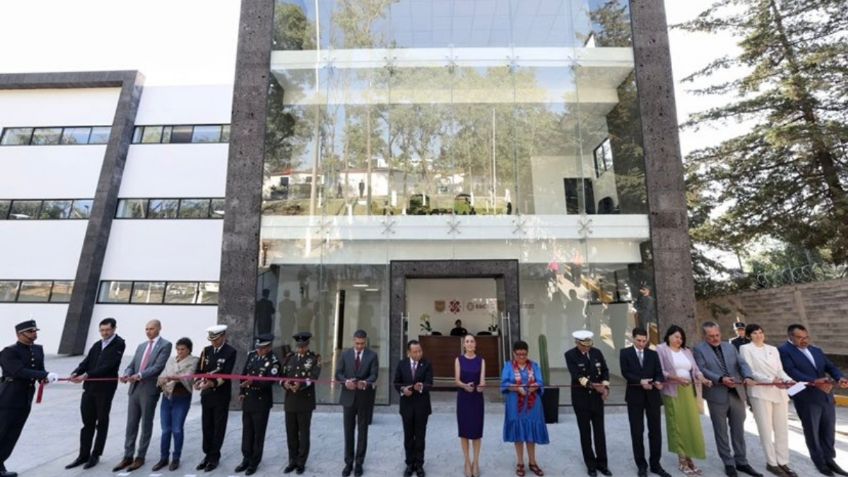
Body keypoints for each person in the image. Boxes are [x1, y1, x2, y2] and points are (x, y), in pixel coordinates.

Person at [779, 324, 848, 476]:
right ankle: (820, 462)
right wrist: (815, 381)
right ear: (790, 337)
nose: (804, 340)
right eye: (800, 338)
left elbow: (830, 366)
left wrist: (840, 377)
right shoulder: (784, 351)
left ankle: (830, 459)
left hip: (826, 396)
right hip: (806, 398)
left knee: (828, 430)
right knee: (813, 432)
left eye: (806, 337)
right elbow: (791, 372)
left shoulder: (815, 350)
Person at [694, 321, 761, 477]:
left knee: (738, 429)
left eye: (717, 335)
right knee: (721, 431)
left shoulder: (730, 347)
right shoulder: (699, 349)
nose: (715, 338)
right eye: (711, 336)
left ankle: (742, 461)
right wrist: (720, 378)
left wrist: (748, 375)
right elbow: (702, 368)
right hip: (716, 395)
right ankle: (728, 463)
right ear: (704, 336)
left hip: (736, 393)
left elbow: (741, 363)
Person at [66, 317, 126, 471]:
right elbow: (86, 362)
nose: (104, 333)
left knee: (102, 421)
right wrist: (76, 372)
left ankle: (96, 454)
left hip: (105, 389)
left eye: (107, 330)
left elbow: (108, 365)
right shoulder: (97, 345)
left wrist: (86, 375)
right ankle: (83, 455)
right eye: (102, 330)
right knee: (87, 422)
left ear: (114, 329)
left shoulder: (119, 344)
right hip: (90, 388)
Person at [0, 320, 58, 477]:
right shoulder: (8, 352)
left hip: (26, 398)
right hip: (9, 398)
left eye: (35, 331)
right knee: (2, 432)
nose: (35, 334)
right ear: (20, 334)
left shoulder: (38, 350)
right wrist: (44, 375)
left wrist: (44, 378)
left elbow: (40, 370)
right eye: (31, 331)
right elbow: (18, 371)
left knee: (13, 434)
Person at [113, 320, 172, 472]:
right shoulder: (141, 346)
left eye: (151, 329)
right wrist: (127, 374)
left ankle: (140, 456)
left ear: (159, 328)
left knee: (146, 424)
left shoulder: (165, 345)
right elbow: (131, 365)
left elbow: (158, 367)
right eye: (146, 329)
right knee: (131, 424)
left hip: (149, 390)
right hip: (134, 389)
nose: (148, 331)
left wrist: (139, 375)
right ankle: (128, 456)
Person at [739, 324, 797, 477]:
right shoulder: (746, 349)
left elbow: (780, 370)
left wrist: (789, 380)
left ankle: (783, 461)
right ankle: (772, 463)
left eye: (760, 332)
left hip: (779, 392)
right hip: (760, 392)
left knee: (782, 428)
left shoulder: (773, 349)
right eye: (755, 333)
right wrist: (771, 380)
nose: (759, 335)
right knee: (765, 429)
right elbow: (750, 371)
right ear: (749, 336)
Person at [656, 325, 711, 476]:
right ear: (668, 336)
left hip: (689, 391)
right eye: (675, 336)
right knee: (677, 424)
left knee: (690, 425)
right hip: (673, 390)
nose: (678, 340)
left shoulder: (687, 351)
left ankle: (690, 457)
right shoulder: (661, 349)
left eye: (681, 337)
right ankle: (682, 460)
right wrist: (675, 378)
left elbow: (695, 370)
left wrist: (703, 379)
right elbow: (660, 370)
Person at [619, 327, 670, 477]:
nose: (641, 343)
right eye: (638, 340)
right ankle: (641, 465)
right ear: (633, 339)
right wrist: (640, 381)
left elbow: (659, 372)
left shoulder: (653, 354)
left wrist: (659, 381)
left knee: (655, 431)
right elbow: (625, 372)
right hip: (635, 397)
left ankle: (656, 464)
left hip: (652, 396)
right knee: (637, 432)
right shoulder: (625, 353)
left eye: (644, 341)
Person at [565, 330, 611, 477]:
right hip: (581, 399)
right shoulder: (570, 355)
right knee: (585, 433)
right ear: (577, 343)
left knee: (599, 432)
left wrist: (605, 387)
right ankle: (591, 465)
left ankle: (602, 464)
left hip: (597, 399)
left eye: (589, 345)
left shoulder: (597, 352)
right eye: (584, 345)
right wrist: (593, 386)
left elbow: (604, 370)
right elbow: (577, 375)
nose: (587, 348)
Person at [501, 340, 548, 477]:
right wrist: (516, 388)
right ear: (514, 353)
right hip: (515, 404)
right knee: (518, 433)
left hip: (532, 404)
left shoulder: (534, 365)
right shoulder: (508, 366)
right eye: (519, 354)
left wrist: (534, 387)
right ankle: (520, 462)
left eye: (524, 354)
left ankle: (533, 462)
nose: (522, 357)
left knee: (531, 433)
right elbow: (504, 384)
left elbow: (540, 382)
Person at [194, 324, 237, 472]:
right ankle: (206, 454)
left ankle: (214, 457)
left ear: (223, 337)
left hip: (220, 395)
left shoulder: (230, 351)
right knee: (207, 426)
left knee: (218, 427)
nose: (213, 343)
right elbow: (199, 370)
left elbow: (226, 374)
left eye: (216, 340)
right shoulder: (206, 351)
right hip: (206, 395)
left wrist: (211, 383)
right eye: (211, 340)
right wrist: (197, 381)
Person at [236, 333, 281, 476]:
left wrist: (253, 382)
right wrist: (242, 390)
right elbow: (243, 374)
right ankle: (246, 458)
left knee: (258, 433)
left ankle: (254, 462)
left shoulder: (273, 361)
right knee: (247, 431)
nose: (259, 350)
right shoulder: (252, 356)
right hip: (248, 399)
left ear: (268, 347)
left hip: (261, 401)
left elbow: (270, 381)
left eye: (262, 348)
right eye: (258, 348)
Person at [336, 329, 379, 477]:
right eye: (357, 343)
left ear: (365, 341)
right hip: (348, 397)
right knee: (348, 431)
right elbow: (338, 373)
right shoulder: (345, 354)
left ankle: (359, 463)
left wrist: (366, 383)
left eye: (362, 343)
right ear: (353, 340)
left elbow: (374, 374)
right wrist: (345, 381)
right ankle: (348, 463)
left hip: (363, 398)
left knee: (362, 431)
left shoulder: (372, 356)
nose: (360, 346)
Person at [153, 337, 198, 472]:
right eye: (178, 349)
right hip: (167, 396)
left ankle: (176, 458)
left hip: (182, 397)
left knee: (177, 429)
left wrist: (174, 376)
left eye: (182, 349)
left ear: (189, 349)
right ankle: (163, 458)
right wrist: (164, 379)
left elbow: (188, 375)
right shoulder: (171, 360)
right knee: (165, 429)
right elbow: (163, 374)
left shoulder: (194, 360)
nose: (179, 352)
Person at [281, 331, 322, 475]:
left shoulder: (314, 358)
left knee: (303, 433)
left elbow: (314, 377)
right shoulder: (289, 358)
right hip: (290, 401)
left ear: (307, 345)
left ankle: (301, 462)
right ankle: (292, 460)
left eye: (303, 346)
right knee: (291, 432)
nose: (300, 349)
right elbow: (281, 375)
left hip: (305, 401)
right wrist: (284, 383)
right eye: (298, 346)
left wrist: (301, 385)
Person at [394, 339, 433, 477]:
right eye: (415, 351)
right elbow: (396, 382)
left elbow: (429, 383)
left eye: (420, 351)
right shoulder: (401, 364)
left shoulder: (427, 364)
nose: (418, 354)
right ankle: (409, 464)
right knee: (408, 436)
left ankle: (419, 464)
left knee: (420, 437)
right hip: (407, 406)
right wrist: (403, 389)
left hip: (422, 406)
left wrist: (421, 386)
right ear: (408, 352)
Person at [455, 334, 485, 477]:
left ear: (475, 344)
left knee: (477, 433)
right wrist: (465, 386)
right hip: (464, 398)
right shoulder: (458, 360)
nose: (469, 343)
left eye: (472, 341)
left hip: (477, 399)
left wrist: (481, 387)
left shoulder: (481, 360)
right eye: (467, 341)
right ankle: (467, 461)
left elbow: (482, 381)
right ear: (464, 345)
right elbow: (457, 381)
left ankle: (476, 462)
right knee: (465, 432)